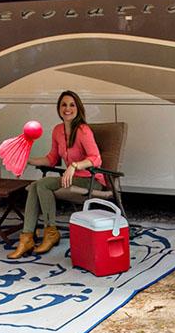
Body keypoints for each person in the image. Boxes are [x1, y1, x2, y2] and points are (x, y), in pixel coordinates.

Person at [8, 90, 104, 259]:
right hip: (71, 179)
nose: (67, 108)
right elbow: (52, 159)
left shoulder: (83, 130)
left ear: (78, 108)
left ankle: (50, 231)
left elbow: (96, 159)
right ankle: (27, 237)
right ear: (59, 108)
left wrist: (75, 165)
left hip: (90, 180)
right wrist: (26, 160)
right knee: (34, 186)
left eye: (72, 105)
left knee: (42, 184)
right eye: (64, 105)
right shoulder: (57, 130)